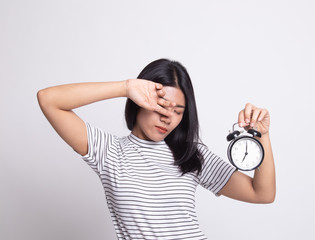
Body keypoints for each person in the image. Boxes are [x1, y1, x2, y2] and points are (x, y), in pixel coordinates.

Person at [37, 58, 275, 240]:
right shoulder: (108, 151)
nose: (167, 118)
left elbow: (262, 193)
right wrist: (125, 87)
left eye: (178, 111)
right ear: (138, 102)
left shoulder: (190, 154)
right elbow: (49, 99)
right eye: (160, 107)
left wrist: (262, 134)